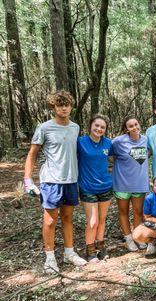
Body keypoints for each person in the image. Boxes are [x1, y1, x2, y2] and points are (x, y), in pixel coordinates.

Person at [23, 90, 87, 273]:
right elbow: (32, 154)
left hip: (71, 180)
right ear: (53, 107)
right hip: (51, 180)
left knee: (68, 218)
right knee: (50, 220)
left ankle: (69, 253)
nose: (64, 107)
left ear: (71, 106)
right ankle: (50, 258)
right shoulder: (44, 128)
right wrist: (28, 180)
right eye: (60, 105)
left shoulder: (75, 128)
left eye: (66, 104)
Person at [77, 115, 114, 262]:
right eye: (96, 125)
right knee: (93, 221)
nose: (99, 129)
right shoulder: (80, 142)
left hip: (105, 186)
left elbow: (113, 159)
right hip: (87, 186)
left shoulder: (108, 143)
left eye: (102, 127)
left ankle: (101, 246)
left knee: (102, 219)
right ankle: (90, 250)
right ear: (90, 126)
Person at [112, 116, 150, 252]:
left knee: (138, 212)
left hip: (139, 183)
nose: (134, 128)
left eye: (136, 124)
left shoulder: (146, 139)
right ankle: (128, 238)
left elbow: (148, 153)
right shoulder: (118, 142)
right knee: (123, 211)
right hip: (122, 183)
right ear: (126, 129)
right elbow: (108, 155)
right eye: (130, 126)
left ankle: (137, 237)